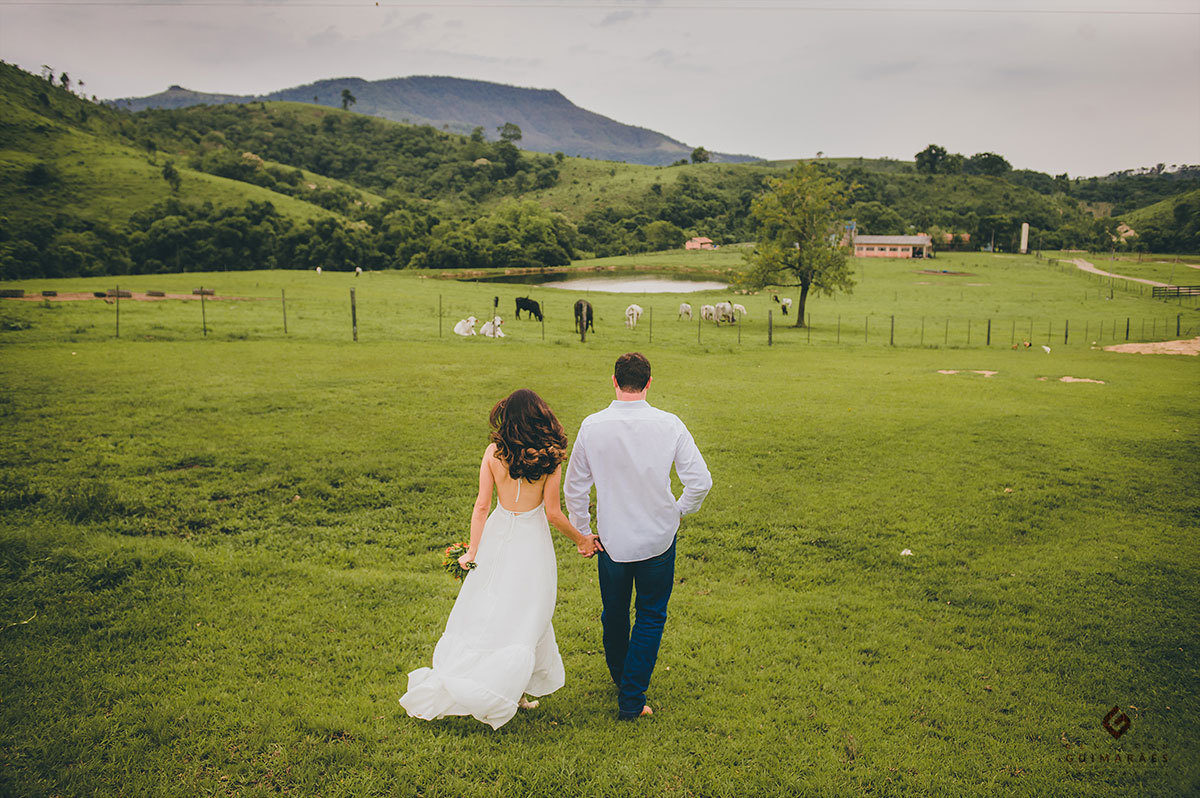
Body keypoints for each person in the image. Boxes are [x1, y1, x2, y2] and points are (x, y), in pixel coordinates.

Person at [399, 389, 600, 729]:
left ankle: (514, 689)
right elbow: (552, 513)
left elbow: (482, 505)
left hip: (497, 535)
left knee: (493, 608)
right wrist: (581, 538)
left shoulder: (494, 453)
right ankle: (510, 689)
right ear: (541, 416)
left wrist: (474, 551)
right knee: (527, 612)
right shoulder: (550, 458)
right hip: (531, 542)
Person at [564, 353, 712, 720]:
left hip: (612, 540)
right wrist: (680, 510)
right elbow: (700, 482)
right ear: (649, 383)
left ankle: (625, 681)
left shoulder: (592, 425)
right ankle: (631, 696)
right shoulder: (670, 424)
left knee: (614, 614)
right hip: (658, 537)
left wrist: (583, 530)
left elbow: (575, 487)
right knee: (650, 615)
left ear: (614, 381)